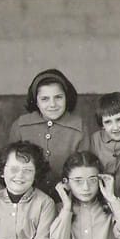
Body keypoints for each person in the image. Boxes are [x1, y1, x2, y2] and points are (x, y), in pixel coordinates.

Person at [9, 69, 89, 197]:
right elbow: (11, 167)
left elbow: (85, 169)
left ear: (67, 98)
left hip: (68, 198)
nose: (52, 104)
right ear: (36, 101)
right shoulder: (20, 126)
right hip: (28, 199)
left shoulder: (78, 127)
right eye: (45, 99)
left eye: (58, 97)